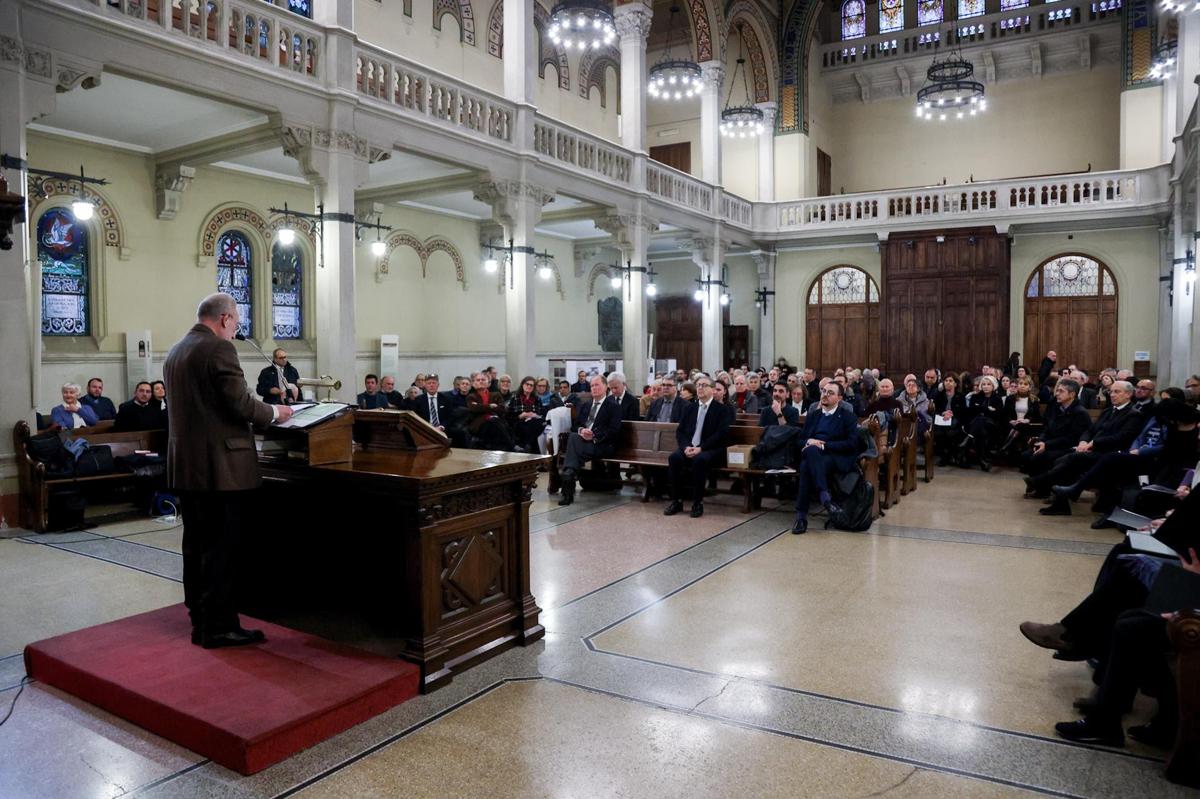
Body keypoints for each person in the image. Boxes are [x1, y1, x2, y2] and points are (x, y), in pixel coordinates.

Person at [164, 292, 293, 649]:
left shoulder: (177, 351)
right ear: (225, 319)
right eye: (235, 323)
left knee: (196, 546)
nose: (235, 330)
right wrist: (274, 413)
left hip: (188, 467)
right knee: (221, 550)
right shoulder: (219, 349)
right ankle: (219, 626)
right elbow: (238, 403)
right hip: (220, 469)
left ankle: (200, 620)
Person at [1033, 381, 1145, 512]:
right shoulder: (1108, 410)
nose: (1112, 395)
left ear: (1128, 394)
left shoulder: (1133, 414)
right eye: (1111, 391)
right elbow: (1090, 430)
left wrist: (1094, 443)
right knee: (1063, 459)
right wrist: (1083, 442)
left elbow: (1122, 438)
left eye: (1117, 392)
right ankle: (1060, 500)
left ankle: (1042, 484)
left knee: (1072, 460)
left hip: (1110, 454)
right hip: (1093, 450)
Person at [792, 382, 860, 534]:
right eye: (823, 391)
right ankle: (825, 497)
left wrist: (823, 446)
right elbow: (800, 441)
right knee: (811, 452)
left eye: (830, 392)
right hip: (812, 453)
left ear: (839, 398)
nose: (825, 395)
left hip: (833, 456)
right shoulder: (814, 415)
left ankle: (801, 517)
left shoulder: (847, 417)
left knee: (805, 467)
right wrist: (809, 441)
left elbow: (851, 444)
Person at [664, 376, 732, 518]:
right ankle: (677, 500)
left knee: (699, 460)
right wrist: (685, 447)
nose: (700, 388)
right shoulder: (690, 407)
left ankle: (697, 502)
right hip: (690, 447)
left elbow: (721, 434)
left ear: (713, 390)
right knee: (674, 458)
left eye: (704, 385)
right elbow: (680, 431)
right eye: (698, 385)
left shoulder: (722, 410)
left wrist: (701, 448)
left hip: (711, 449)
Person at [557, 375, 622, 506]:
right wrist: (582, 430)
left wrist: (593, 435)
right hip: (582, 442)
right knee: (574, 436)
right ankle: (569, 474)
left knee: (573, 440)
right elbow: (575, 426)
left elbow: (613, 430)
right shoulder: (586, 405)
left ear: (605, 387)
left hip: (601, 444)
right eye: (592, 386)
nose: (594, 388)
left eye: (597, 385)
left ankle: (568, 478)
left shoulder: (613, 406)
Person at [1020, 378, 1092, 484]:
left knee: (1040, 457)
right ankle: (1038, 486)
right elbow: (1048, 428)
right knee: (1026, 455)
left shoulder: (1080, 412)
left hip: (1067, 447)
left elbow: (1071, 438)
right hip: (1051, 444)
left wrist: (1047, 445)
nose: (1057, 393)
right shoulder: (1057, 407)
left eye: (1061, 391)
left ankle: (1042, 486)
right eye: (1057, 390)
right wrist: (1040, 440)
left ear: (1072, 394)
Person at [959, 375, 1004, 469]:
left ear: (993, 386)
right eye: (983, 384)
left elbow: (997, 415)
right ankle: (983, 461)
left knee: (981, 419)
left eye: (988, 384)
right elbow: (971, 411)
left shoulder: (997, 398)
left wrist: (981, 409)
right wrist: (988, 410)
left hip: (991, 425)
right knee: (981, 431)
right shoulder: (975, 397)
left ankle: (968, 440)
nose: (985, 386)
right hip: (976, 425)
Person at [466, 371, 514, 450]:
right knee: (493, 422)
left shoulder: (496, 395)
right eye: (478, 380)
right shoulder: (471, 396)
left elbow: (503, 409)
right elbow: (474, 408)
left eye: (483, 380)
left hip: (496, 423)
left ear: (489, 384)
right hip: (479, 425)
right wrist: (490, 406)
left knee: (494, 423)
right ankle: (511, 448)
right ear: (474, 384)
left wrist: (481, 407)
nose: (480, 381)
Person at [932, 373, 966, 465]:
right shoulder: (938, 395)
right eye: (946, 381)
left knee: (951, 433)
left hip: (955, 421)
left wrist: (952, 413)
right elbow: (934, 409)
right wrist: (943, 413)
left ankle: (951, 456)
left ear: (955, 384)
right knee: (938, 433)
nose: (948, 383)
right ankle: (943, 457)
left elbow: (963, 412)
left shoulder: (961, 396)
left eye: (950, 381)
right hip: (941, 420)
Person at [508, 376, 549, 454]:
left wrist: (534, 415)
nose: (529, 386)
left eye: (532, 385)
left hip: (535, 422)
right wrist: (521, 416)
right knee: (528, 427)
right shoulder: (515, 398)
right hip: (519, 423)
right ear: (522, 385)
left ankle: (525, 445)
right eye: (527, 384)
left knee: (535, 423)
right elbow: (509, 416)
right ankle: (533, 451)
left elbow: (543, 415)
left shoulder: (537, 399)